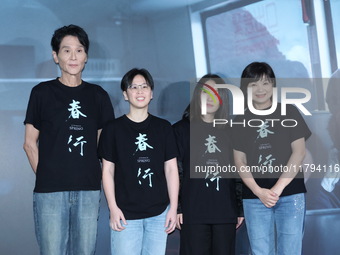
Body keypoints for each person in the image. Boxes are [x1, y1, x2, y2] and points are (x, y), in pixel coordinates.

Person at [23, 24, 115, 255]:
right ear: (55, 56)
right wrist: (47, 174)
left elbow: (104, 148)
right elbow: (29, 143)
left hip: (89, 190)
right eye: (66, 50)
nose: (73, 56)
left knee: (85, 252)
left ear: (86, 56)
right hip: (50, 192)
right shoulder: (41, 93)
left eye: (79, 50)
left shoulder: (99, 96)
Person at [232, 62, 311, 255]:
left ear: (273, 85)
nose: (260, 89)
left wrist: (277, 189)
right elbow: (239, 161)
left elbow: (299, 152)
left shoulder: (289, 111)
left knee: (290, 250)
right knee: (260, 251)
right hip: (254, 197)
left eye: (265, 83)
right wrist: (259, 191)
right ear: (245, 88)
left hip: (290, 193)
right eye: (253, 84)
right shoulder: (240, 120)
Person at [98, 68, 179, 255]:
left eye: (144, 86)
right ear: (125, 95)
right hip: (125, 214)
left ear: (151, 93)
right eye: (134, 87)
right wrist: (113, 208)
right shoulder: (113, 129)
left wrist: (173, 208)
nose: (140, 91)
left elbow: (171, 170)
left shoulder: (164, 128)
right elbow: (107, 171)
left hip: (159, 214)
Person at [173, 74, 243, 255]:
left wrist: (239, 208)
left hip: (225, 211)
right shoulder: (180, 129)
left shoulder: (231, 130)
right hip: (192, 212)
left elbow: (237, 170)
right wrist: (178, 208)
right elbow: (176, 172)